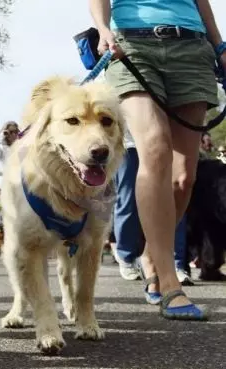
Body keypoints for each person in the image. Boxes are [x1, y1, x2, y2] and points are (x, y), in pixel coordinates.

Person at [91, 0, 226, 320]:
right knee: (154, 146)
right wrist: (102, 28)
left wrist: (219, 45)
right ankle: (168, 283)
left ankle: (152, 255)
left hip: (192, 47)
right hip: (132, 47)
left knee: (183, 178)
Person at [112, 130, 194, 286]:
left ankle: (176, 262)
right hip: (129, 144)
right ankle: (127, 256)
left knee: (174, 194)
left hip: (169, 144)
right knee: (128, 198)